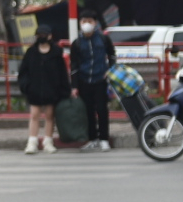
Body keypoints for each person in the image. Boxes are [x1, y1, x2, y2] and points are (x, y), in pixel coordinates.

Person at [69, 10, 117, 151]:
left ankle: (104, 139)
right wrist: (74, 86)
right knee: (88, 111)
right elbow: (74, 65)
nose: (87, 24)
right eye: (84, 21)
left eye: (90, 21)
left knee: (102, 110)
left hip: (100, 79)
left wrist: (110, 71)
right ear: (80, 23)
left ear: (95, 23)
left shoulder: (103, 39)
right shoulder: (76, 43)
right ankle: (92, 138)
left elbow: (112, 55)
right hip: (84, 80)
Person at [17, 24, 69, 154]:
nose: (42, 37)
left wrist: (64, 89)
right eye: (39, 35)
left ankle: (48, 142)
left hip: (52, 90)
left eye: (44, 35)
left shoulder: (56, 52)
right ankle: (32, 142)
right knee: (34, 115)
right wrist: (26, 86)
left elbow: (62, 72)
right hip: (34, 90)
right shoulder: (31, 52)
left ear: (50, 36)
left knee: (50, 116)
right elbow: (23, 72)